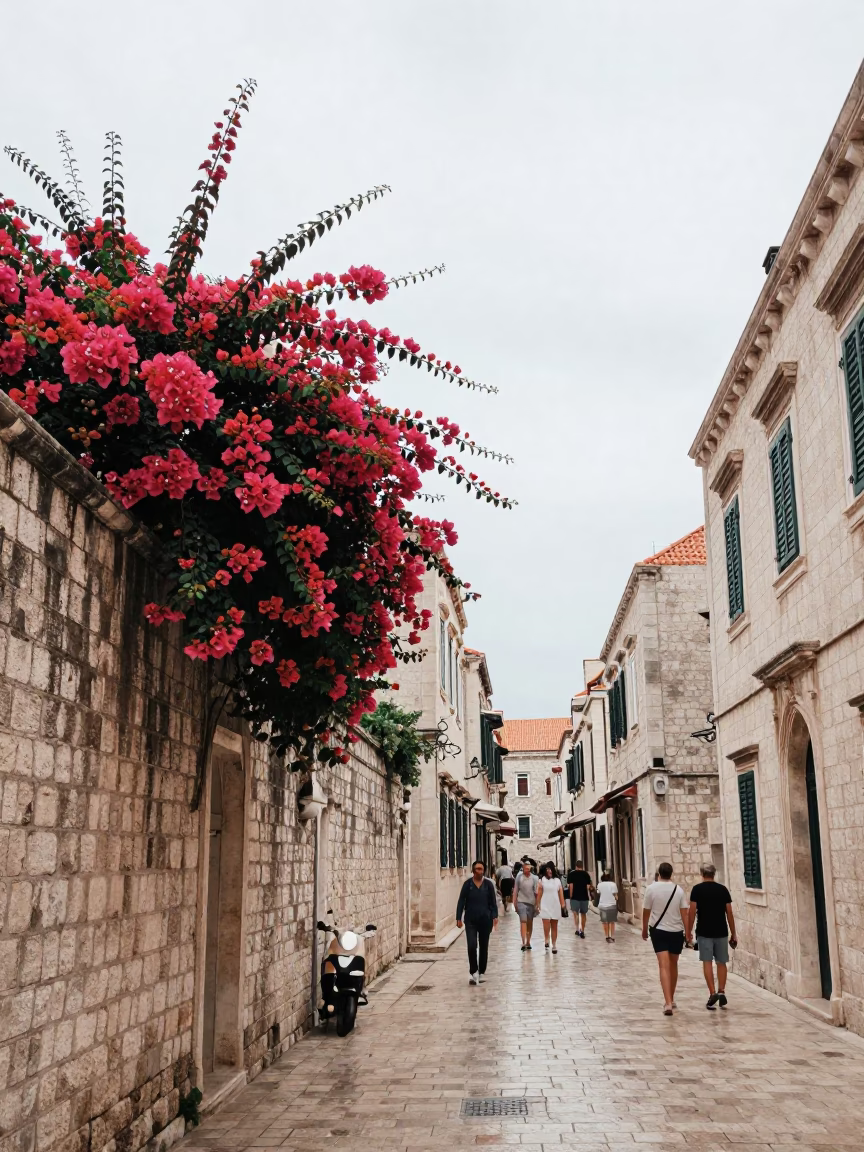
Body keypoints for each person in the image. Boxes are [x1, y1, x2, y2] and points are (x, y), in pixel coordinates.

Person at [642, 861, 690, 1015]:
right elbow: (684, 913)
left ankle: (668, 1002)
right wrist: (688, 932)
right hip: (676, 931)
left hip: (658, 931)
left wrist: (644, 929)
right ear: (671, 873)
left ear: (659, 873)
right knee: (673, 964)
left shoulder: (651, 889)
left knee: (663, 965)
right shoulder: (679, 890)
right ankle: (672, 998)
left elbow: (646, 911)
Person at [686, 863, 737, 1010]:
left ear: (702, 874)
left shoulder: (697, 890)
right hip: (721, 931)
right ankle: (721, 991)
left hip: (704, 932)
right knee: (721, 962)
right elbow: (729, 913)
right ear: (714, 874)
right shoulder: (723, 890)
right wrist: (733, 933)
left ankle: (712, 992)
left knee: (707, 962)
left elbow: (692, 912)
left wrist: (688, 931)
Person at [456, 860, 499, 984]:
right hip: (470, 920)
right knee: (472, 945)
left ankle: (482, 972)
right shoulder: (467, 885)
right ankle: (473, 971)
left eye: (481, 869)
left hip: (485, 920)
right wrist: (458, 918)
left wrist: (494, 916)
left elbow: (493, 903)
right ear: (473, 870)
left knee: (484, 946)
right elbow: (461, 901)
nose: (479, 871)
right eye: (477, 869)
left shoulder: (488, 885)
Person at [537, 863, 566, 953]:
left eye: (550, 869)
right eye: (547, 869)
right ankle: (546, 939)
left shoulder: (557, 881)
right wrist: (537, 904)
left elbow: (560, 893)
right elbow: (539, 893)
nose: (549, 871)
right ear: (545, 871)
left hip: (555, 905)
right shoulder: (542, 880)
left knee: (554, 926)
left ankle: (554, 945)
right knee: (546, 924)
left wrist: (563, 905)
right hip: (545, 904)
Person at [513, 860, 540, 950]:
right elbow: (516, 889)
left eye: (528, 869)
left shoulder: (535, 878)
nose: (527, 871)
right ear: (523, 869)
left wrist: (537, 904)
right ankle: (523, 942)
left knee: (529, 922)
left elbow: (537, 892)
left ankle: (528, 941)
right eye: (525, 869)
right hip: (521, 901)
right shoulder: (519, 877)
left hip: (531, 902)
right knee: (523, 921)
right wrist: (514, 902)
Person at [567, 859, 594, 938]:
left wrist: (571, 896)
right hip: (584, 896)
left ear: (576, 866)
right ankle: (582, 930)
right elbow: (588, 887)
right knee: (583, 914)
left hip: (575, 896)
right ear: (582, 866)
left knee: (575, 913)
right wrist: (588, 896)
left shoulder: (572, 874)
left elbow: (571, 886)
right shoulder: (586, 874)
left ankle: (577, 929)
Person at [596, 871, 619, 942]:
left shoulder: (599, 885)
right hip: (611, 904)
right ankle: (611, 936)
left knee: (605, 922)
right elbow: (615, 895)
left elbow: (598, 892)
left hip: (602, 905)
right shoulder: (613, 884)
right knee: (611, 922)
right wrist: (616, 898)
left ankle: (607, 936)